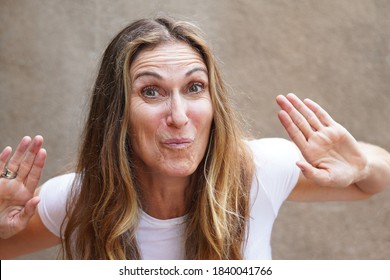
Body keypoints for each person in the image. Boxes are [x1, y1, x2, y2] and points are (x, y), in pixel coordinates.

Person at [0, 17, 389, 260]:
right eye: (151, 92)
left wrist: (362, 164)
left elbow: (371, 182)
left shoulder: (257, 172)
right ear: (117, 113)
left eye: (194, 88)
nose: (179, 117)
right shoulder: (79, 198)